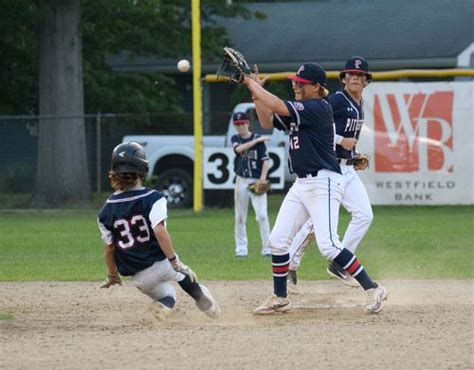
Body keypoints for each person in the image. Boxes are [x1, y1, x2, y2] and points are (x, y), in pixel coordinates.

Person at [243, 62, 388, 315]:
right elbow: (267, 120)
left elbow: (277, 105)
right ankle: (280, 297)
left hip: (324, 182)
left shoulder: (318, 107)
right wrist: (255, 93)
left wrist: (249, 82)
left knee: (329, 245)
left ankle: (373, 288)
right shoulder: (304, 107)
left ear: (316, 87)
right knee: (277, 242)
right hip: (302, 184)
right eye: (295, 82)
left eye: (301, 83)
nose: (295, 86)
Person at [97, 141, 221, 320]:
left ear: (114, 172)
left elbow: (109, 249)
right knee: (183, 275)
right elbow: (159, 231)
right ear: (142, 169)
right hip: (160, 264)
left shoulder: (105, 211)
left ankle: (164, 306)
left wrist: (112, 275)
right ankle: (205, 303)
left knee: (167, 295)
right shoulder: (154, 198)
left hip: (139, 278)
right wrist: (175, 262)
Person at [287, 57, 375, 290]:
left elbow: (345, 138)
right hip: (328, 169)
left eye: (360, 76)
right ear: (344, 79)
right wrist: (340, 141)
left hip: (346, 168)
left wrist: (353, 154)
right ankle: (289, 263)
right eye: (351, 75)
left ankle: (340, 264)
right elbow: (321, 124)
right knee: (316, 225)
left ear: (367, 81)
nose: (355, 78)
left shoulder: (358, 102)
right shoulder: (336, 100)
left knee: (364, 215)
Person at [231, 111, 272, 257]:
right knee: (240, 217)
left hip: (256, 181)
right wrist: (256, 141)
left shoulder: (258, 141)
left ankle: (267, 249)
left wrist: (262, 178)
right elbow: (238, 149)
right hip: (241, 181)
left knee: (262, 216)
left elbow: (266, 161)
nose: (240, 126)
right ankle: (241, 250)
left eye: (242, 123)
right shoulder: (236, 138)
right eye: (237, 124)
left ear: (248, 123)